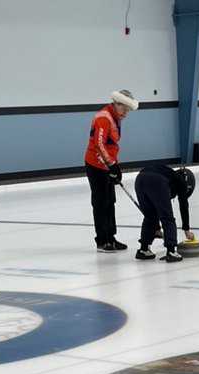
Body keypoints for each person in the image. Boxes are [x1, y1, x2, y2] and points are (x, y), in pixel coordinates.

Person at [85, 89, 138, 253]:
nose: (126, 113)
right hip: (96, 165)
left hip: (108, 165)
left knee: (110, 201)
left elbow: (111, 145)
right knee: (100, 202)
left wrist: (116, 166)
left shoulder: (116, 118)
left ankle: (111, 237)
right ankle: (102, 240)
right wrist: (111, 165)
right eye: (124, 109)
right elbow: (99, 145)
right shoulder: (104, 118)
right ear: (117, 103)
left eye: (128, 110)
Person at [134, 165, 194, 263]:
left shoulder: (169, 174)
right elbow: (183, 206)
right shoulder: (181, 182)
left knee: (150, 216)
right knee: (167, 218)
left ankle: (143, 249)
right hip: (157, 181)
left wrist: (156, 228)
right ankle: (171, 251)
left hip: (140, 179)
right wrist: (186, 230)